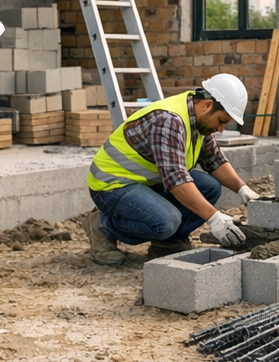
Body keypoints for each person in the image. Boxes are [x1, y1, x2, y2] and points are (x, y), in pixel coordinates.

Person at [84, 74, 260, 264]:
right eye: (221, 121)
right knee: (166, 222)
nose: (221, 128)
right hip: (112, 184)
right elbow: (176, 180)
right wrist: (214, 217)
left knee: (210, 186)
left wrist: (243, 190)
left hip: (147, 181)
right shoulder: (169, 120)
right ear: (207, 105)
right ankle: (103, 226)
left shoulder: (199, 119)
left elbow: (213, 159)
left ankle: (167, 243)